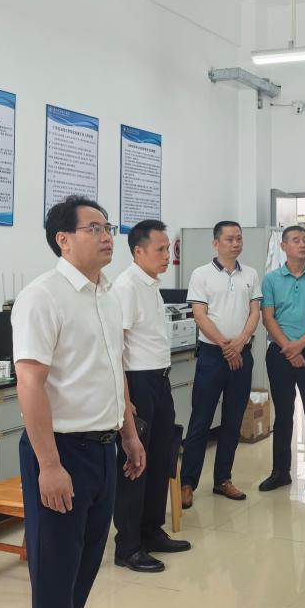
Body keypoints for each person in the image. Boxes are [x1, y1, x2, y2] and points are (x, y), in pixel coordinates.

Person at [12, 195, 145, 608]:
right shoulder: (42, 297)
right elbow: (29, 383)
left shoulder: (107, 294)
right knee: (55, 578)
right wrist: (49, 466)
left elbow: (114, 368)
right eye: (94, 229)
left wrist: (129, 434)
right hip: (61, 451)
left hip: (104, 451)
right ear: (63, 239)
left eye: (108, 228)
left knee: (85, 567)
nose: (107, 236)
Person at [112, 219, 191, 574]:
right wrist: (125, 398)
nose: (166, 256)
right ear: (138, 251)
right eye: (160, 249)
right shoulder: (126, 287)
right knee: (136, 464)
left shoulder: (152, 285)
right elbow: (115, 349)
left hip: (159, 380)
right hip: (137, 383)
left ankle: (151, 531)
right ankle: (128, 546)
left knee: (160, 457)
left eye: (168, 249)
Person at [180, 221, 262, 507]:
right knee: (200, 420)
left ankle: (223, 479)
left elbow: (254, 313)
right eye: (229, 239)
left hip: (242, 355)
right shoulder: (201, 274)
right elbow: (200, 316)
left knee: (233, 420)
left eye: (239, 238)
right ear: (216, 243)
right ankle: (187, 483)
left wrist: (240, 342)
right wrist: (227, 347)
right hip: (213, 356)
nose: (235, 243)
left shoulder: (250, 274)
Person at [259, 226, 305, 495]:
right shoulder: (271, 280)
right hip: (279, 354)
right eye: (296, 240)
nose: (302, 244)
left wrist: (299, 346)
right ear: (283, 247)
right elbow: (268, 317)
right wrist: (289, 349)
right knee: (282, 415)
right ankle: (281, 472)